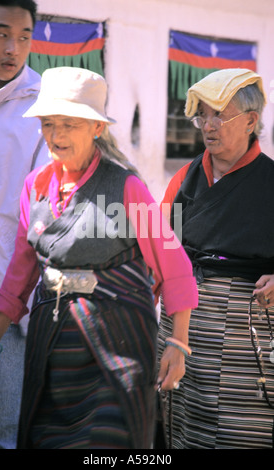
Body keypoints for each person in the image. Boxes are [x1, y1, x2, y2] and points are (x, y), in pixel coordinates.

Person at [0, 66, 198, 449]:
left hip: (117, 346)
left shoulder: (127, 186)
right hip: (52, 345)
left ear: (96, 128)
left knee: (107, 442)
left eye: (69, 124)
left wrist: (178, 345)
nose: (56, 135)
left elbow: (175, 264)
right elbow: (22, 268)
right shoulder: (36, 187)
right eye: (49, 123)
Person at [157, 68, 274, 449]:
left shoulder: (269, 180)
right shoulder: (186, 177)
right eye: (201, 115)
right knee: (178, 419)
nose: (208, 126)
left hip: (244, 321)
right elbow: (157, 242)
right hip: (180, 319)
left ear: (251, 121)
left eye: (219, 116)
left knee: (236, 429)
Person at [0, 0, 49, 449]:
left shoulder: (40, 109)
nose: (13, 48)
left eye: (24, 37)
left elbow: (44, 214)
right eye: (1, 33)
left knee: (2, 435)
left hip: (2, 310)